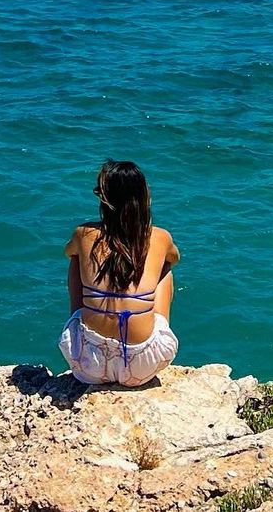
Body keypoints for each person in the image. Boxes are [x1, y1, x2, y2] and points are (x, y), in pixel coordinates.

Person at [58, 159, 180, 386]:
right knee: (165, 267)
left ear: (104, 199)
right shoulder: (159, 237)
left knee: (76, 259)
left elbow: (68, 251)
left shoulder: (83, 234)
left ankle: (78, 322)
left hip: (87, 362)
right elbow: (175, 258)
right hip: (142, 366)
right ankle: (152, 328)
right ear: (144, 197)